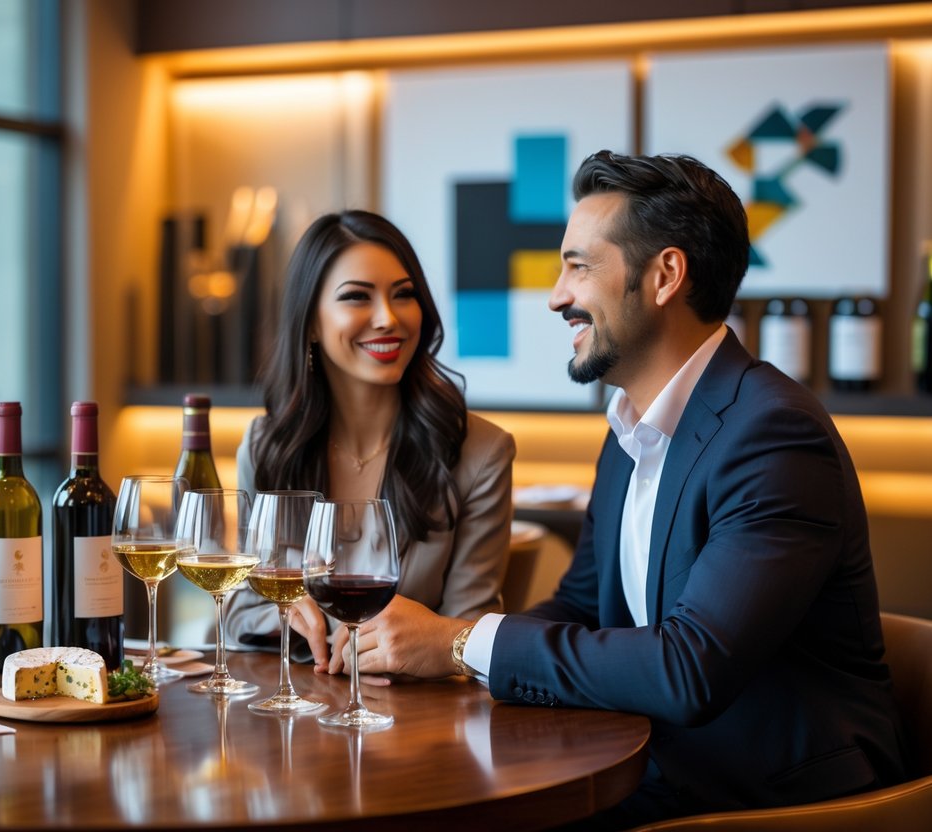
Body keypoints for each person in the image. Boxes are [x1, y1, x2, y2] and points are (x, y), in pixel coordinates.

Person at [336, 152, 909, 825]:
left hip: (769, 798)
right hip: (658, 769)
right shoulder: (632, 427)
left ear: (664, 275)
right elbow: (582, 605)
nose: (556, 295)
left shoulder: (773, 435)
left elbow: (689, 669)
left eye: (578, 267)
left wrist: (458, 644)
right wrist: (427, 654)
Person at [225, 209, 515, 670]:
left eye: (404, 295)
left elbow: (469, 632)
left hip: (415, 720)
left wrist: (427, 644)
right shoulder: (267, 446)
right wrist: (286, 617)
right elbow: (238, 608)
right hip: (292, 715)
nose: (388, 318)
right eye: (357, 297)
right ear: (312, 323)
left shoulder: (482, 453)